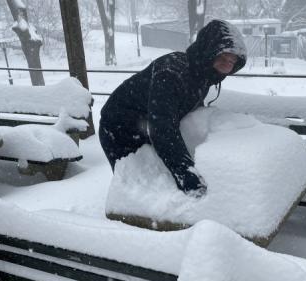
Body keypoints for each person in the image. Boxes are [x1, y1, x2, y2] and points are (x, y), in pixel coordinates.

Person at [99, 19, 247, 197]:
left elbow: (184, 107)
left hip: (146, 123)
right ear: (208, 51)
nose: (227, 65)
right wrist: (187, 175)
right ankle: (130, 221)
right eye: (223, 57)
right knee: (138, 188)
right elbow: (162, 128)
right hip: (119, 127)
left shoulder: (205, 74)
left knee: (158, 179)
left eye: (232, 61)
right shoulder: (171, 73)